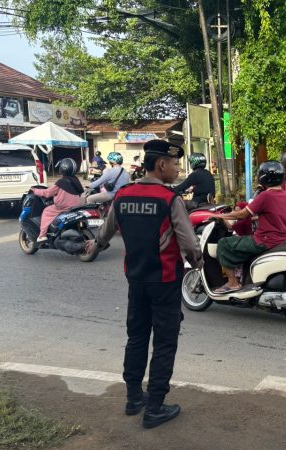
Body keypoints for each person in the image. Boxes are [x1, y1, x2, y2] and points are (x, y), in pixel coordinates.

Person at [87, 139, 203, 429]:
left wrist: (96, 247)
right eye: (175, 164)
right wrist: (198, 263)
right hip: (165, 281)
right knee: (164, 342)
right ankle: (155, 407)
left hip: (136, 280)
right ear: (161, 164)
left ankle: (133, 398)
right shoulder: (169, 198)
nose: (178, 169)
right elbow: (190, 244)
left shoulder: (124, 194)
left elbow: (106, 232)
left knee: (137, 337)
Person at [212, 161, 286, 293]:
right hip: (281, 238)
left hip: (264, 240)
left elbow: (243, 214)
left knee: (224, 244)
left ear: (263, 178)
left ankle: (232, 283)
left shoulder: (266, 195)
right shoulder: (285, 195)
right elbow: (270, 214)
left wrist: (220, 216)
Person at [32, 158, 84, 243]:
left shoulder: (61, 182)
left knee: (46, 211)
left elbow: (47, 193)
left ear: (63, 168)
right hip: (77, 206)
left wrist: (35, 191)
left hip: (64, 208)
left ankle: (42, 236)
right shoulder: (76, 180)